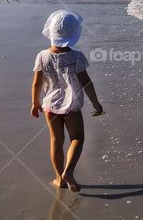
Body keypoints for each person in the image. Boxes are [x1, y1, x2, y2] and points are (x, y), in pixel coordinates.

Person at [31, 10, 104, 192]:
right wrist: (96, 104)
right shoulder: (76, 57)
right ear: (73, 35)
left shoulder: (42, 56)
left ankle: (59, 178)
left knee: (56, 140)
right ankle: (69, 172)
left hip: (50, 106)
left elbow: (37, 83)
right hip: (71, 106)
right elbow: (86, 83)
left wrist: (35, 102)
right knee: (77, 138)